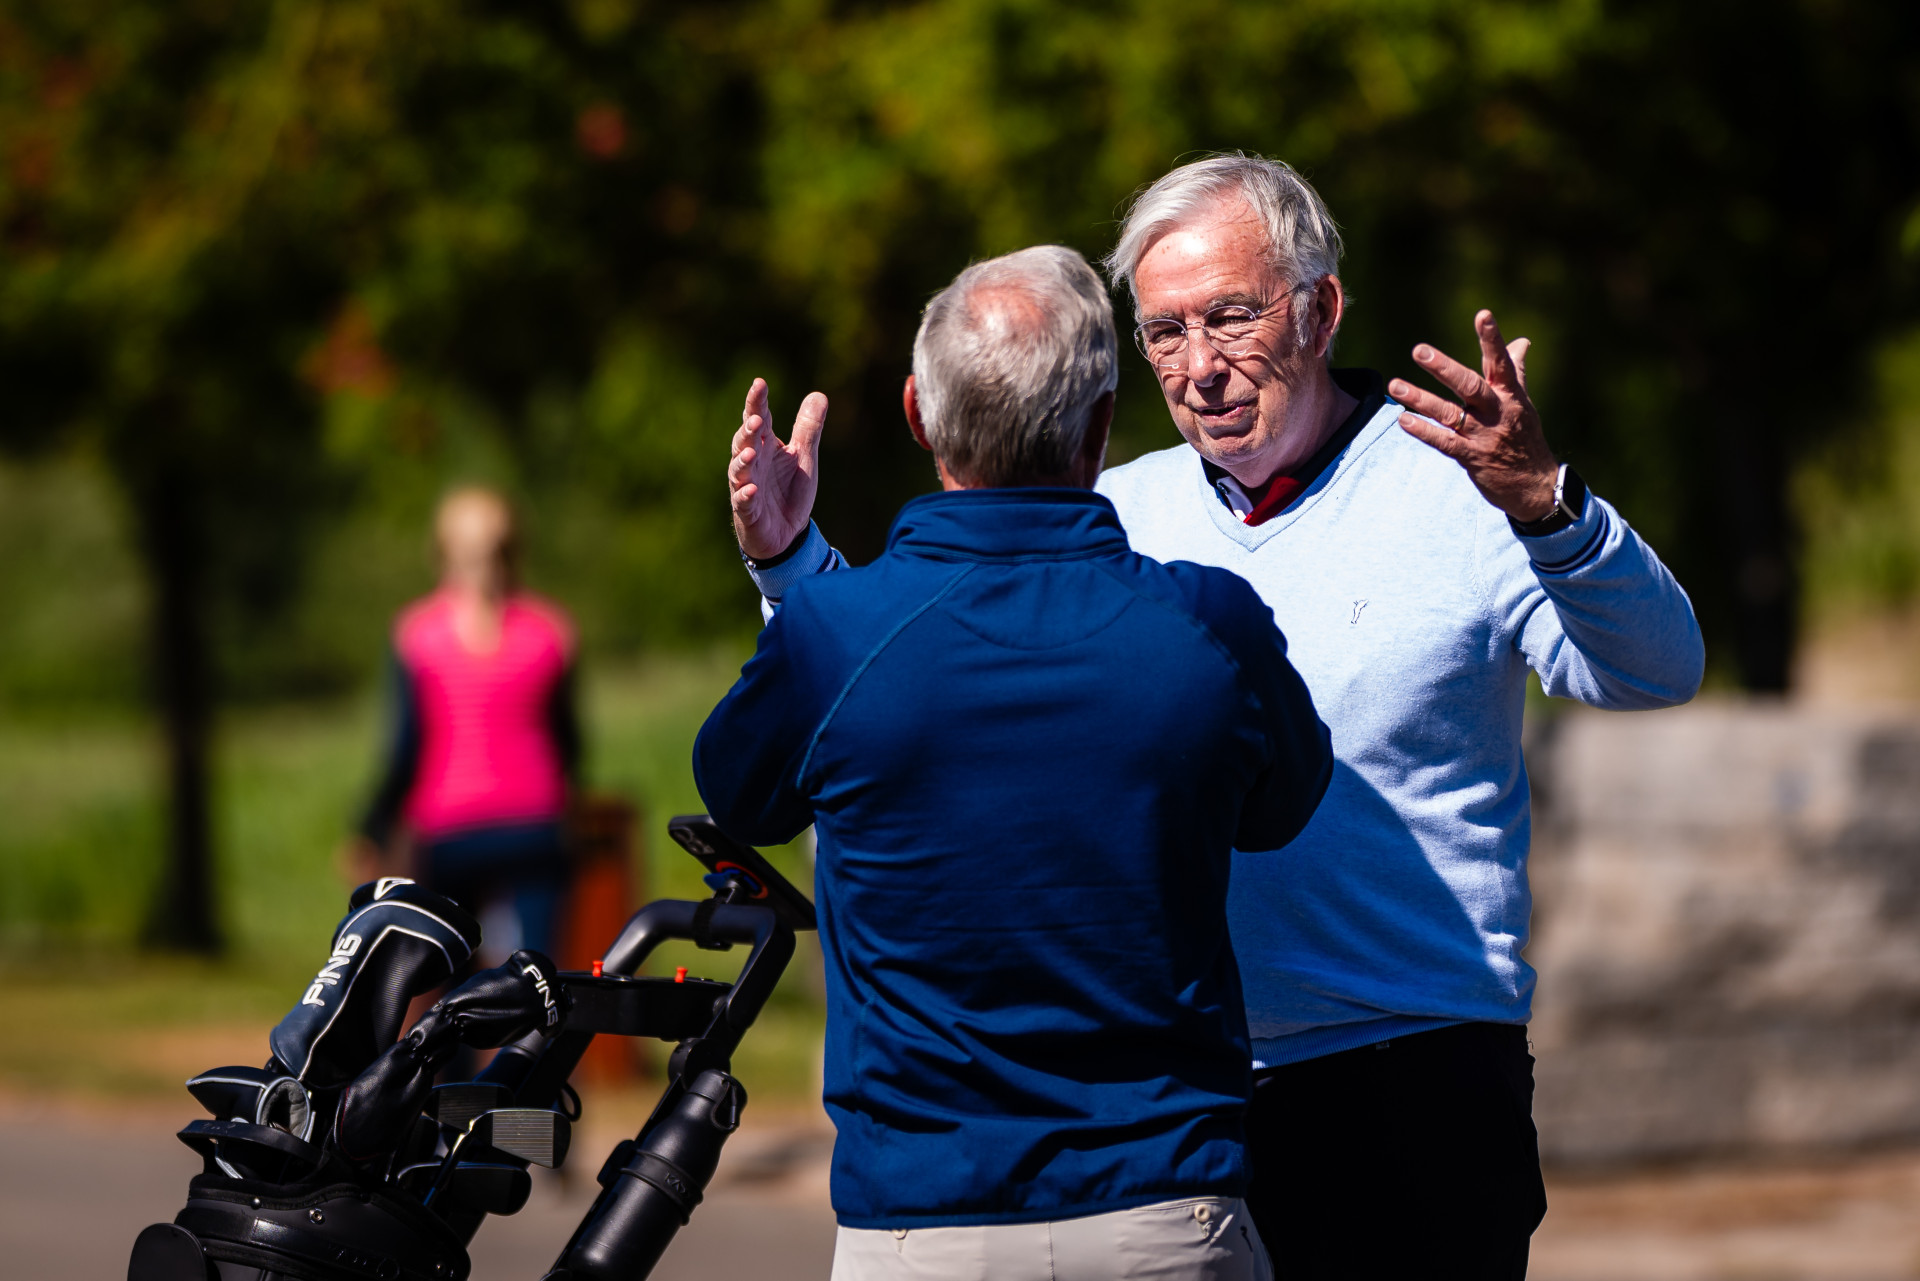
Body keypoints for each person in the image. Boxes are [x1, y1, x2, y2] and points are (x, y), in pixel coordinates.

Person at [726, 155, 1705, 1278]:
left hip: (1407, 1080)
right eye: (1164, 332)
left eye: (1231, 317)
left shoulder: (1463, 484)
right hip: (1169, 1105)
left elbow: (1657, 668)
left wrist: (1551, 507)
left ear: (1321, 309)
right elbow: (914, 672)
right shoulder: (1112, 509)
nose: (1198, 368)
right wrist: (794, 566)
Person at [696, 245, 1333, 1281]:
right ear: (1101, 423)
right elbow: (1283, 806)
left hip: (919, 1222)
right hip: (1164, 1209)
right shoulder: (1209, 626)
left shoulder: (832, 634)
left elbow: (741, 797)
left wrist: (787, 570)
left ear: (918, 414)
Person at [351, 487, 581, 962]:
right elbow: (569, 745)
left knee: (448, 975)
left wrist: (371, 829)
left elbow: (406, 750)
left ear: (442, 554)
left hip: (449, 830)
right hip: (535, 825)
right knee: (539, 974)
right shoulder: (552, 631)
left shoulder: (417, 634)